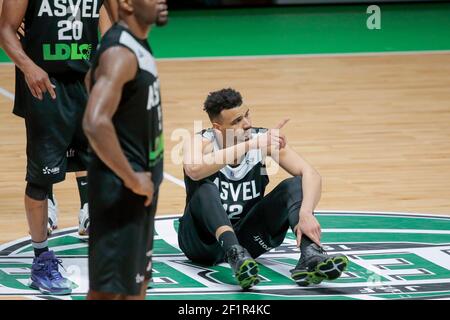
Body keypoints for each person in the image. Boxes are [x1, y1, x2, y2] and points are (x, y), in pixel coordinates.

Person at [0, 0, 117, 295]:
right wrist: (27, 66)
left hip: (87, 84)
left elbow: (115, 31)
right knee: (41, 176)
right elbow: (5, 30)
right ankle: (41, 260)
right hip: (46, 84)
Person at [179, 88, 349, 289]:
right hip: (201, 243)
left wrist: (305, 212)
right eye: (237, 121)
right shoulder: (201, 142)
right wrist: (251, 145)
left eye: (247, 114)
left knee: (295, 185)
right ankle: (234, 253)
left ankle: (310, 255)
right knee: (204, 187)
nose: (247, 124)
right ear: (218, 128)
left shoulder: (262, 139)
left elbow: (311, 174)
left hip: (248, 239)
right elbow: (194, 170)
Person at [83, 0, 167, 300]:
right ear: (128, 3)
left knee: (136, 288)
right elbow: (94, 122)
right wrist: (132, 177)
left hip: (137, 196)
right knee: (107, 294)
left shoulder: (135, 43)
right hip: (121, 195)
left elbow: (88, 81)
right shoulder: (120, 52)